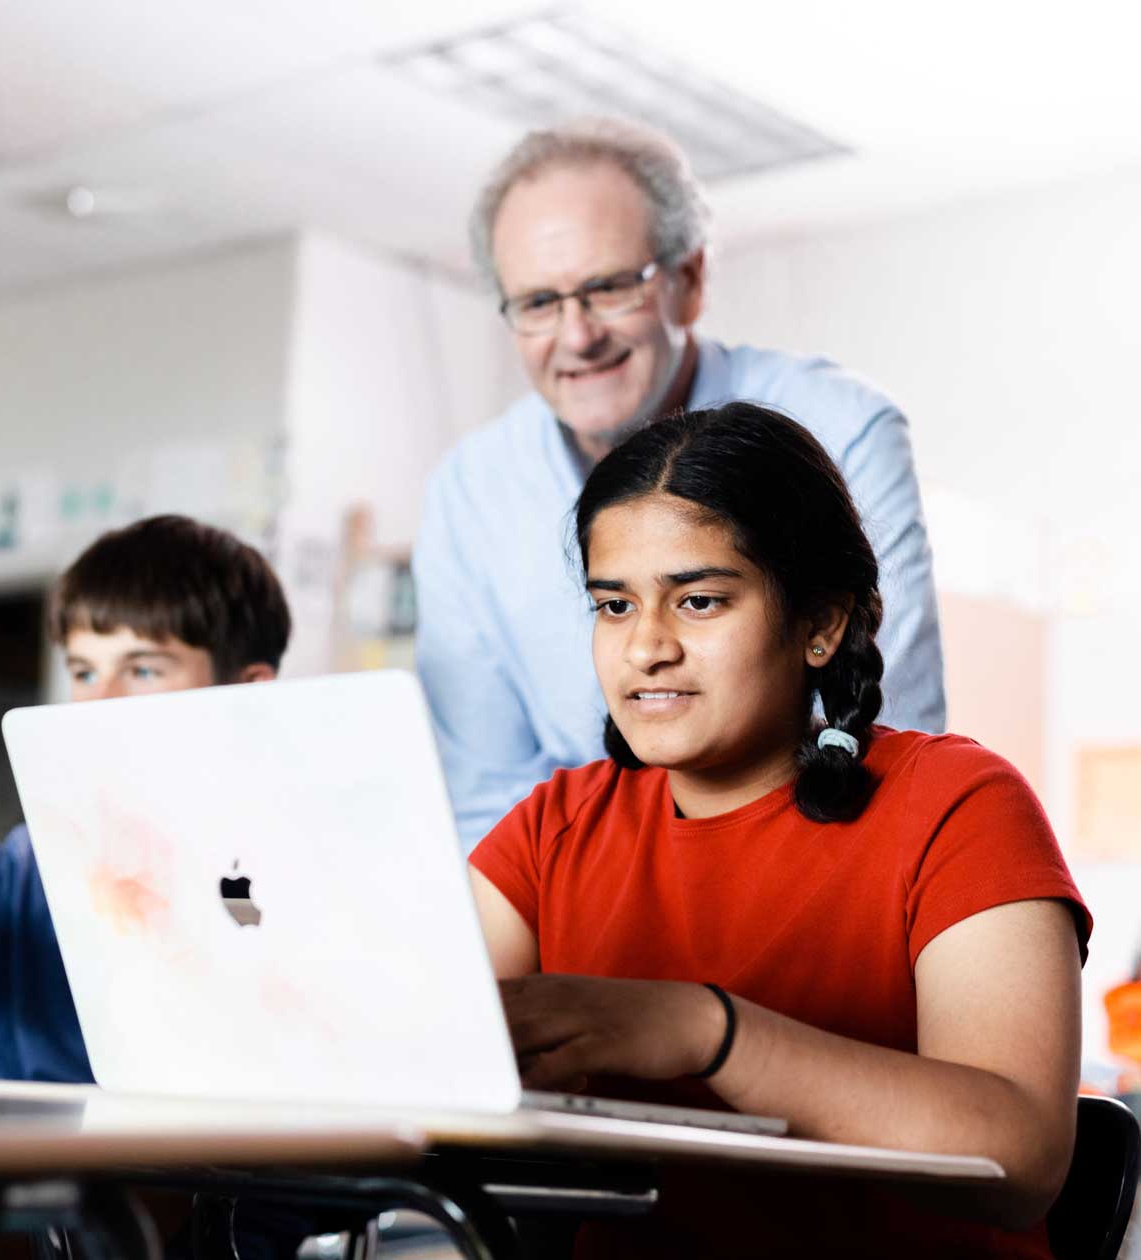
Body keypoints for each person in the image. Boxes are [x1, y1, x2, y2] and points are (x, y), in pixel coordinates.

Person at [468, 404, 1088, 1258]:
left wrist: (703, 1031)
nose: (645, 646)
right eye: (613, 605)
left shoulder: (957, 804)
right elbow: (428, 1045)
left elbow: (1019, 1159)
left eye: (700, 600)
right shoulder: (555, 827)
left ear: (822, 625)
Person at [414, 117, 946, 852]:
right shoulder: (468, 494)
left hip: (821, 870)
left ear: (689, 281)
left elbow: (891, 740)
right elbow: (489, 800)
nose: (576, 336)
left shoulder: (841, 427)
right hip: (581, 905)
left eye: (608, 288)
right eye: (538, 303)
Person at [0, 515, 291, 1083]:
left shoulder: (296, 868)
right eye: (83, 670)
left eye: (143, 669)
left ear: (248, 691)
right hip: (26, 1169)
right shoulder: (35, 859)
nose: (97, 702)